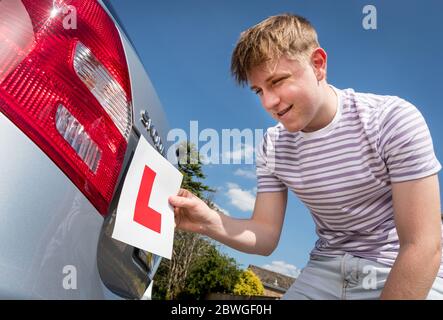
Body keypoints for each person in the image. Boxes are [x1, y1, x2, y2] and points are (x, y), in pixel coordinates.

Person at [168, 13, 443, 299]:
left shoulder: (392, 120)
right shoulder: (272, 146)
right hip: (325, 268)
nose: (268, 102)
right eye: (259, 91)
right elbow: (264, 235)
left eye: (277, 82)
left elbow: (423, 245)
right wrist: (208, 221)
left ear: (318, 64)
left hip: (399, 266)